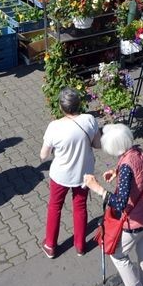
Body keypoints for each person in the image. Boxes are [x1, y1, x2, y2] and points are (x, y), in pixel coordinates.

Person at [82, 124, 143, 286]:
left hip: (136, 221)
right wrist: (116, 171)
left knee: (117, 254)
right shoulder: (138, 152)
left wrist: (98, 188)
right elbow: (136, 169)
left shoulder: (127, 167)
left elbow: (119, 203)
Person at [40, 89, 100, 258]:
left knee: (55, 206)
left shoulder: (54, 126)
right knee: (80, 206)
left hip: (61, 175)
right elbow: (97, 144)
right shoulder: (89, 120)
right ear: (79, 105)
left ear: (61, 107)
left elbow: (43, 155)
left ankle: (50, 245)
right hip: (84, 174)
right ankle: (80, 246)